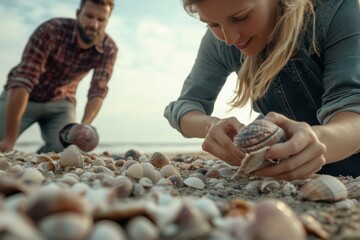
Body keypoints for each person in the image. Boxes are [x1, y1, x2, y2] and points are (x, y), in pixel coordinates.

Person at [164, 0, 360, 179]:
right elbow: (184, 107)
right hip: (277, 164)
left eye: (241, 17)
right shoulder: (219, 41)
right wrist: (210, 126)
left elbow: (354, 112)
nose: (229, 39)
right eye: (212, 24)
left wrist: (316, 141)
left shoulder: (336, 10)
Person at [0, 0, 117, 153]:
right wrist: (9, 139)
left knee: (67, 151)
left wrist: (84, 126)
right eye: (89, 16)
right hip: (24, 97)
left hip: (61, 104)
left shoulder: (109, 48)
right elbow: (24, 80)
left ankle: (43, 154)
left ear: (107, 21)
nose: (94, 25)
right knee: (3, 143)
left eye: (101, 20)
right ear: (77, 14)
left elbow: (98, 90)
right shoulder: (51, 30)